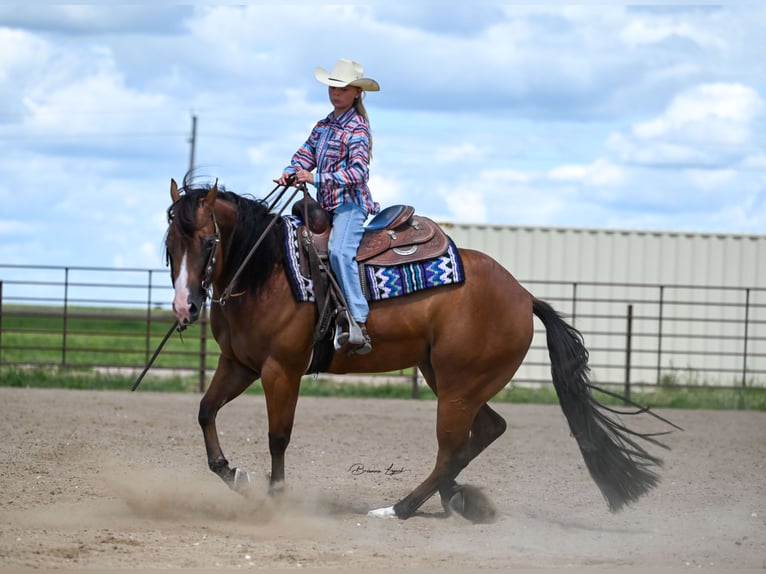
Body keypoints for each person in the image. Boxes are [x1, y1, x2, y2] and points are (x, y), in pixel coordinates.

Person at [276, 58, 380, 355]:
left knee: (338, 252)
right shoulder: (323, 126)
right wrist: (291, 170)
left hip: (350, 205)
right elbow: (303, 154)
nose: (336, 93)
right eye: (334, 87)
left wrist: (317, 178)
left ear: (357, 93)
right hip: (324, 206)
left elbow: (359, 173)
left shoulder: (358, 129)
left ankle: (358, 319)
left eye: (344, 88)